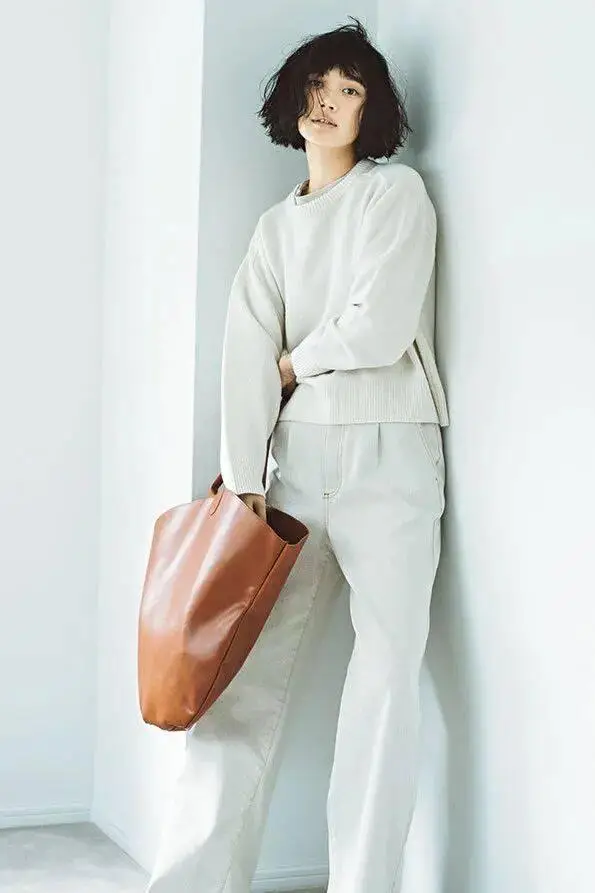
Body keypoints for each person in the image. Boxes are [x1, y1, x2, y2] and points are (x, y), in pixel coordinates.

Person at [146, 16, 449, 893]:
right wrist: (244, 479)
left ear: (371, 113)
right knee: (244, 680)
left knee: (385, 678)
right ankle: (192, 880)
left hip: (393, 452)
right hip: (295, 467)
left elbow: (378, 327)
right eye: (319, 85)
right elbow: (243, 357)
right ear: (293, 99)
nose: (330, 101)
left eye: (351, 90)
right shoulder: (274, 229)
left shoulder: (395, 195)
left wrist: (292, 363)